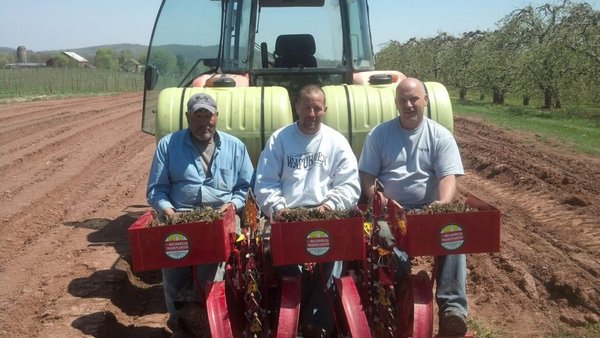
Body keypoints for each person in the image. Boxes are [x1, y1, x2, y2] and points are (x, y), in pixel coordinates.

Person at [358, 77, 468, 336]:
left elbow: (447, 177)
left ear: (425, 101)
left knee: (452, 239)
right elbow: (367, 176)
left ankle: (452, 310)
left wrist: (441, 206)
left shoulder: (440, 136)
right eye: (403, 100)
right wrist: (379, 199)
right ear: (396, 103)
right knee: (387, 248)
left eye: (414, 99)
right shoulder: (380, 134)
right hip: (391, 212)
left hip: (427, 208)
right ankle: (396, 303)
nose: (409, 105)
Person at [254, 84, 360, 337]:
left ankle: (316, 323)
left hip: (326, 212)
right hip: (289, 214)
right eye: (306, 108)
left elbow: (349, 184)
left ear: (325, 110)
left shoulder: (336, 141)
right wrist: (278, 208)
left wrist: (331, 205)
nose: (311, 114)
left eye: (317, 108)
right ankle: (299, 314)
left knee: (333, 256)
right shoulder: (280, 139)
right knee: (286, 261)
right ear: (296, 108)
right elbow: (265, 182)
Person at [146, 92, 254, 337]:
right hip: (179, 213)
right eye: (198, 115)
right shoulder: (169, 145)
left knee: (215, 247)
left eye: (209, 115)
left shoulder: (235, 146)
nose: (204, 121)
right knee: (173, 260)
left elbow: (245, 187)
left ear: (216, 117)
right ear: (188, 117)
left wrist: (231, 206)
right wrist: (168, 211)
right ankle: (180, 321)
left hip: (221, 215)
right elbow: (156, 189)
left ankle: (196, 308)